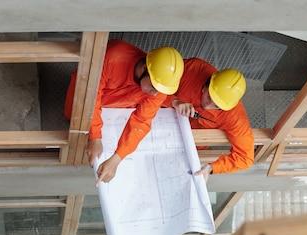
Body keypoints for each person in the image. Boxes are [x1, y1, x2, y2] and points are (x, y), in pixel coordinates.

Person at [64, 40, 184, 186]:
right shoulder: (113, 57)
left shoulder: (158, 90)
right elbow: (91, 94)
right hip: (88, 90)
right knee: (72, 117)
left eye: (159, 90)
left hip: (115, 106)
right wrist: (95, 136)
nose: (154, 94)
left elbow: (141, 122)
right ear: (144, 68)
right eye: (153, 87)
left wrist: (117, 158)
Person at [163, 58, 254, 183]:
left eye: (217, 106)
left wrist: (212, 168)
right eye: (209, 97)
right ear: (207, 84)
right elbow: (154, 83)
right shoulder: (193, 69)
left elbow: (245, 158)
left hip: (187, 145)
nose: (207, 105)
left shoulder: (234, 116)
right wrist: (174, 101)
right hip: (160, 118)